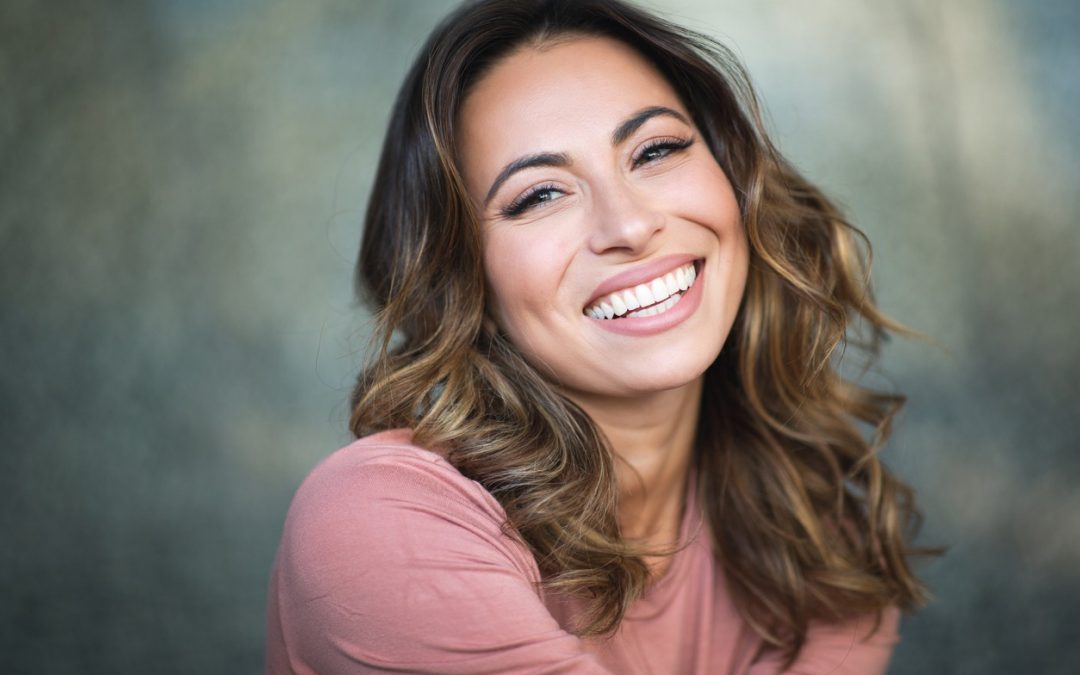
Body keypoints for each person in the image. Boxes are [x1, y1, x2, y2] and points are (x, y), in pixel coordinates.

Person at [264, 0, 935, 672]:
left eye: (656, 150)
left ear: (736, 181)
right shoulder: (381, 524)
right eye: (540, 195)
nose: (630, 225)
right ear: (465, 284)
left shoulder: (827, 540)